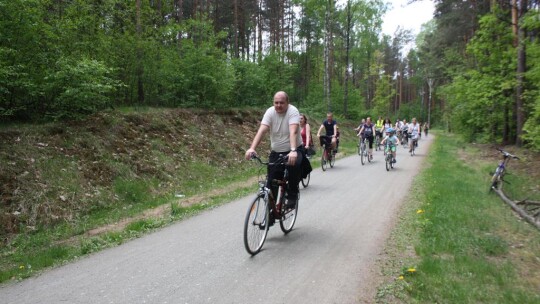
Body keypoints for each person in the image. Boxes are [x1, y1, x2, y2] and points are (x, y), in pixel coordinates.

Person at [245, 91, 303, 210]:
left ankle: (292, 195)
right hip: (277, 151)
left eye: (281, 103)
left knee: (293, 166)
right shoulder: (270, 112)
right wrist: (252, 148)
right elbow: (262, 130)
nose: (278, 105)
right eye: (276, 102)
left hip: (294, 149)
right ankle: (271, 212)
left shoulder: (293, 111)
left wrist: (293, 150)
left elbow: (293, 131)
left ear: (287, 103)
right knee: (272, 181)